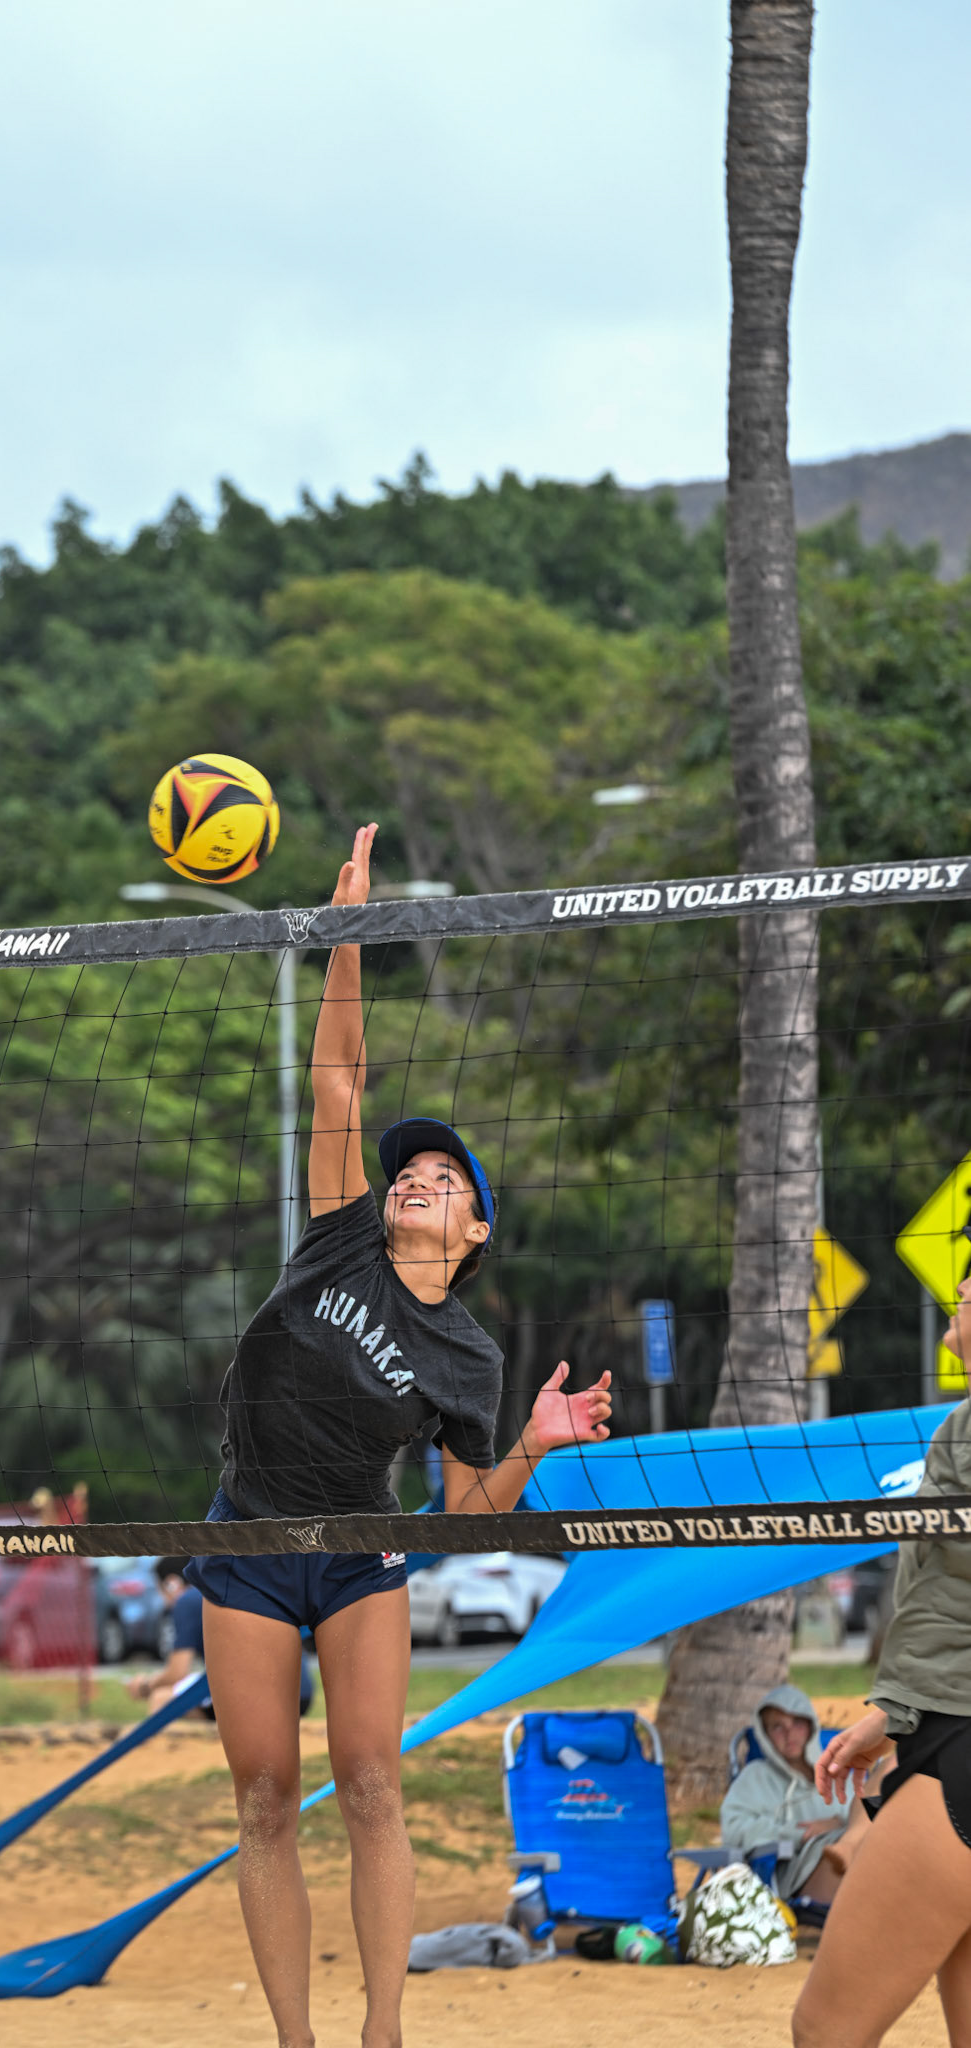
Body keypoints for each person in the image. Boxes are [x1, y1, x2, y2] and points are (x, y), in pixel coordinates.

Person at [186, 822, 613, 2048]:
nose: (420, 1174)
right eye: (411, 1170)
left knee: (372, 1783)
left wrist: (531, 1441)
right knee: (265, 1798)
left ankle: (385, 2030)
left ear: (474, 1229)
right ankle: (298, 2040)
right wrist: (349, 931)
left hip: (364, 1548)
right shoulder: (338, 1239)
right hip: (246, 1533)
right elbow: (338, 1081)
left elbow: (464, 1516)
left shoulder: (470, 1354)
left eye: (445, 1177)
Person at [792, 1272, 971, 2048]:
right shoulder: (959, 1430)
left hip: (965, 1752)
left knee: (825, 2032)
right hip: (940, 1724)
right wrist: (892, 1713)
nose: (958, 1286)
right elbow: (943, 1603)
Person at [719, 1684, 872, 1908]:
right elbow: (734, 1830)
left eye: (797, 1723)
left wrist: (838, 1823)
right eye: (777, 1727)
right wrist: (801, 1834)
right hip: (802, 1872)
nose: (789, 1734)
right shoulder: (756, 1777)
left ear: (810, 1726)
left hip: (860, 1854)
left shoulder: (840, 1773)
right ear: (765, 1734)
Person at [127, 1559, 315, 1718]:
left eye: (159, 1588)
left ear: (172, 1583)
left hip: (264, 1694)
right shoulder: (232, 1587)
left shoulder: (188, 1600)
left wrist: (145, 1686)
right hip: (300, 1693)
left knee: (161, 1699)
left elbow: (178, 1672)